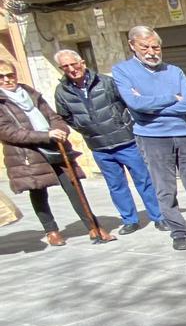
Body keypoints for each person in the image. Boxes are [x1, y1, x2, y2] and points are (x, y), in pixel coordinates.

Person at [112, 26, 186, 251]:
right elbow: (135, 105)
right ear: (132, 45)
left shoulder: (175, 71)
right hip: (152, 138)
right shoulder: (123, 71)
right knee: (165, 189)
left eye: (155, 47)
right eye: (145, 47)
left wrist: (150, 105)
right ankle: (179, 232)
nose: (151, 52)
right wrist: (172, 98)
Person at [0, 59, 114, 245]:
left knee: (73, 186)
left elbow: (54, 116)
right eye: (1, 77)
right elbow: (8, 132)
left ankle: (94, 227)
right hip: (27, 154)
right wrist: (46, 135)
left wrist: (61, 129)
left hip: (55, 147)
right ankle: (51, 231)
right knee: (38, 192)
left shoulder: (30, 93)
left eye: (10, 75)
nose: (7, 80)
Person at [52, 50, 165, 235]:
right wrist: (85, 128)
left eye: (74, 64)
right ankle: (130, 220)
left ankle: (159, 217)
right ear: (61, 69)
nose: (72, 69)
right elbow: (65, 116)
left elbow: (127, 102)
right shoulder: (62, 92)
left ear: (82, 62)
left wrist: (125, 124)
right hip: (99, 147)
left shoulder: (105, 82)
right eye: (66, 66)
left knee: (144, 180)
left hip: (126, 141)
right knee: (116, 186)